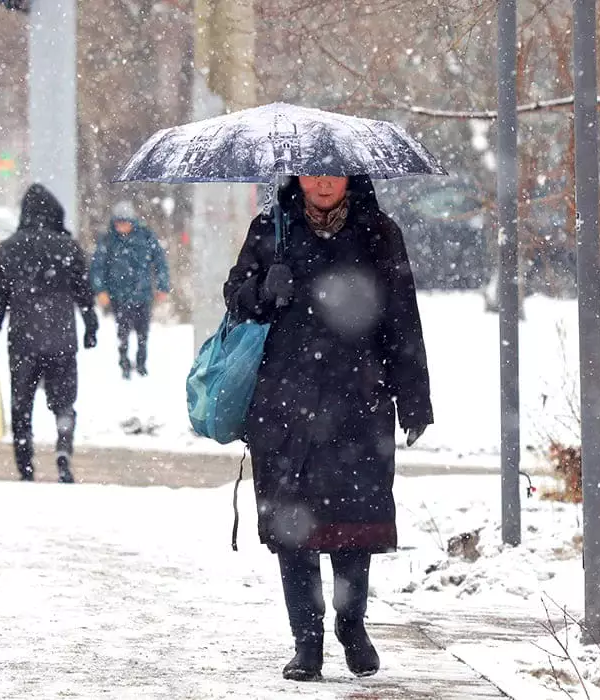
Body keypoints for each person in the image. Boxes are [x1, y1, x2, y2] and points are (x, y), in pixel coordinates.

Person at [223, 175, 433, 682]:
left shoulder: (380, 233)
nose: (322, 181)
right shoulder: (271, 228)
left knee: (354, 525)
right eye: (312, 170)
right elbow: (234, 297)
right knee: (293, 529)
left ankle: (352, 624)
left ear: (351, 177)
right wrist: (262, 290)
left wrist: (415, 397)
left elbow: (403, 317)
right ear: (296, 175)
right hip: (285, 407)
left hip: (359, 404)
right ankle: (307, 643)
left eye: (333, 171)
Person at [0, 184, 98, 483]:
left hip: (23, 339)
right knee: (64, 402)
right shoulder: (69, 247)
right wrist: (90, 326)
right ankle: (63, 447)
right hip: (61, 337)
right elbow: (84, 293)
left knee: (22, 404)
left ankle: (25, 463)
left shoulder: (7, 249)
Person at [90, 201, 170, 379]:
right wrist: (100, 289)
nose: (121, 226)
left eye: (124, 222)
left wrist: (163, 285)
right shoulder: (108, 240)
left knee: (143, 332)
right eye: (118, 223)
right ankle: (124, 362)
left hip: (143, 294)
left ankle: (141, 363)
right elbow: (98, 266)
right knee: (123, 331)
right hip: (119, 295)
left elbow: (160, 262)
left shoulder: (146, 236)